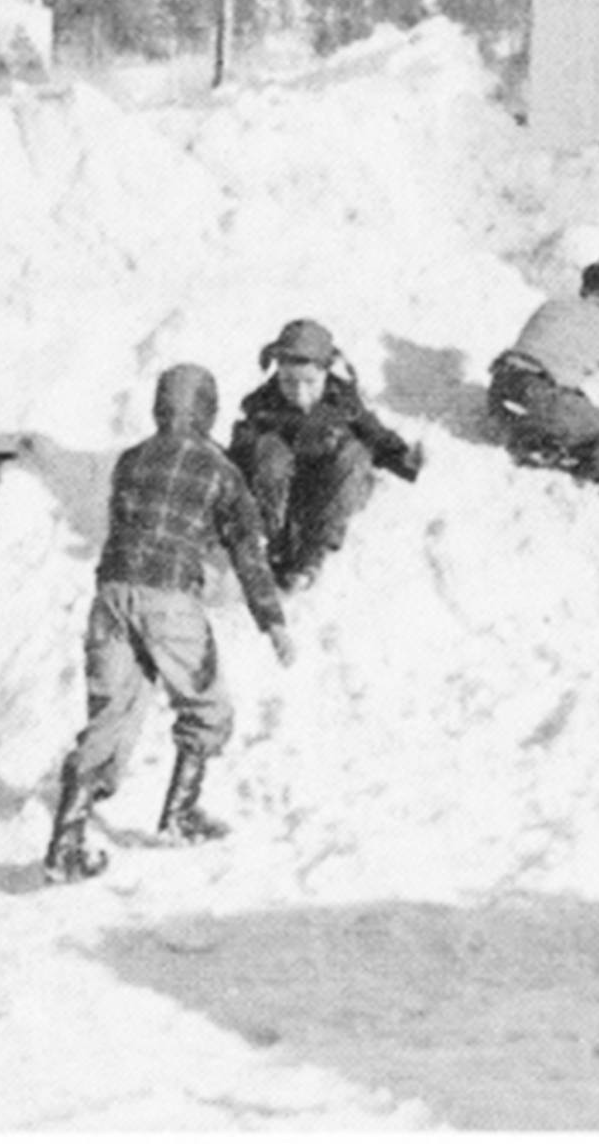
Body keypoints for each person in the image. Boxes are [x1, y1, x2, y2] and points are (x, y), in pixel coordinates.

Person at [44, 363, 297, 884]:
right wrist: (271, 620)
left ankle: (65, 845)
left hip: (111, 595)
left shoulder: (132, 460)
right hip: (168, 598)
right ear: (208, 411)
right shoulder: (220, 470)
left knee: (110, 716)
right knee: (208, 708)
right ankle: (180, 813)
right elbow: (247, 550)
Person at [229, 318, 425, 591]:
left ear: (325, 372)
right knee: (267, 450)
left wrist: (403, 458)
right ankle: (273, 548)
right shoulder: (262, 405)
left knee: (355, 453)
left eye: (309, 382)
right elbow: (238, 455)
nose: (299, 392)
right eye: (288, 381)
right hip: (279, 495)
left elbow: (373, 434)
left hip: (328, 489)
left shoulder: (342, 401)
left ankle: (312, 556)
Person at [487, 251, 599, 503]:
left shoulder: (553, 306)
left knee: (577, 404)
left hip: (501, 389)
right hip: (541, 400)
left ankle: (534, 445)